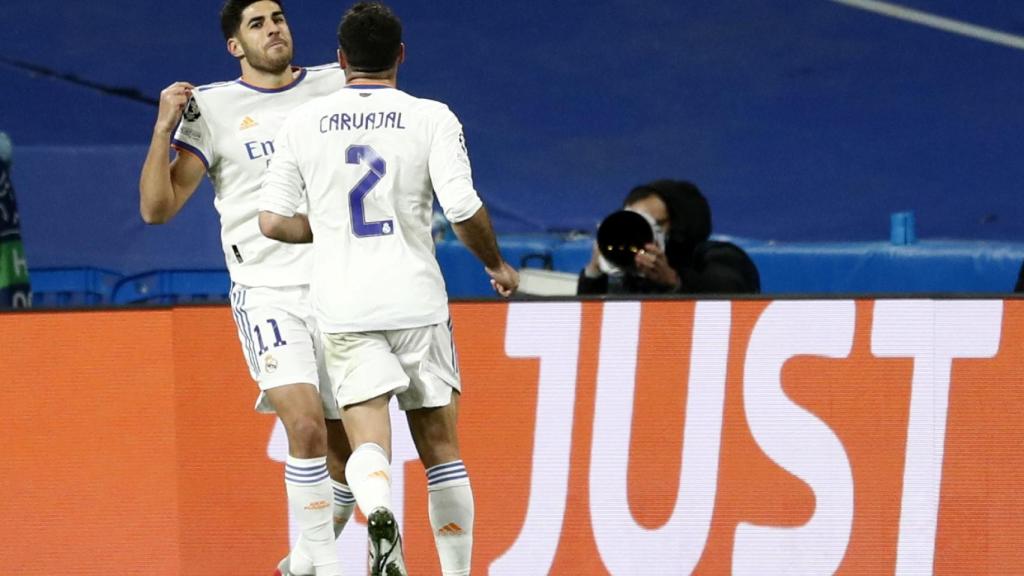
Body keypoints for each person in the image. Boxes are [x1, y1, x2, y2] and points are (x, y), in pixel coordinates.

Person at [259, 3, 519, 574]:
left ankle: (377, 510)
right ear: (401, 55)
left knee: (366, 439)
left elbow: (273, 222)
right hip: (416, 301)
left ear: (341, 59)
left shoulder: (302, 123)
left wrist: (326, 228)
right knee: (441, 451)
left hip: (344, 305)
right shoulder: (431, 117)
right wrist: (496, 264)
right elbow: (462, 208)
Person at [137, 2, 354, 574]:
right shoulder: (212, 108)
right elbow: (156, 210)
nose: (273, 28)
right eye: (256, 24)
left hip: (342, 285)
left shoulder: (336, 84)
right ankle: (326, 566)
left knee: (349, 458)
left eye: (278, 17)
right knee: (303, 424)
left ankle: (303, 563)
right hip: (267, 291)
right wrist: (163, 128)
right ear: (235, 46)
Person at [578, 179, 760, 295]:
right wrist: (595, 272)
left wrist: (673, 281)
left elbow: (732, 297)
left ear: (680, 224)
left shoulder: (719, 256)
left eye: (655, 224)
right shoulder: (629, 275)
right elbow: (588, 329)